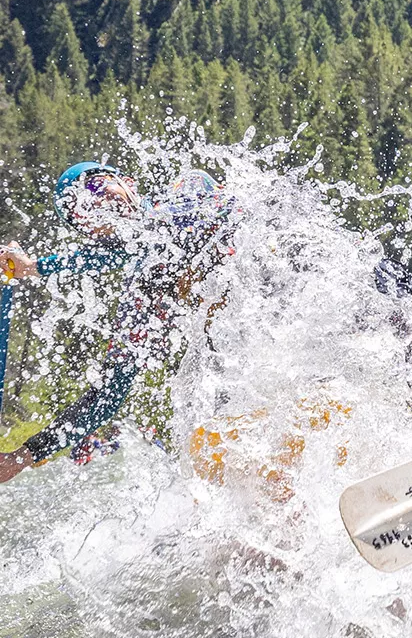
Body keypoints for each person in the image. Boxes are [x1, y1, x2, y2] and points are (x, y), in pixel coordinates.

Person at [0, 163, 237, 485]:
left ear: (128, 183)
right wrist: (22, 457)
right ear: (94, 236)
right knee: (215, 447)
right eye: (79, 211)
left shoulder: (190, 187)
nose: (93, 204)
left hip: (287, 296)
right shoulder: (141, 296)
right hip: (242, 361)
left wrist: (38, 266)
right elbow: (108, 395)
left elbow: (151, 235)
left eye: (96, 187)